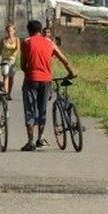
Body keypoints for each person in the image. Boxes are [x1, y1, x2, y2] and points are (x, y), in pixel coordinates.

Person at [20, 19, 77, 151]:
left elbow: (23, 65)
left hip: (31, 79)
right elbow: (64, 59)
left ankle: (30, 142)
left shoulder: (26, 42)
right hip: (46, 80)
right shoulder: (49, 42)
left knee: (30, 110)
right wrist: (71, 72)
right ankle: (40, 138)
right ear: (40, 30)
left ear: (29, 30)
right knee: (42, 109)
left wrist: (29, 71)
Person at [0, 23, 20, 100]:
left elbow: (17, 49)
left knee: (11, 77)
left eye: (11, 31)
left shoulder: (17, 39)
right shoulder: (3, 40)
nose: (9, 32)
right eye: (8, 31)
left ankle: (9, 93)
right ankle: (6, 93)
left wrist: (14, 54)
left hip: (13, 60)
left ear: (14, 31)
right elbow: (0, 50)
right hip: (5, 60)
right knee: (5, 75)